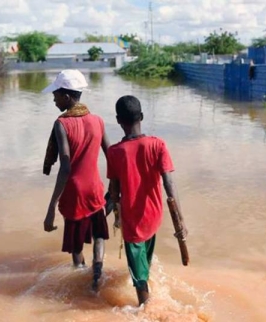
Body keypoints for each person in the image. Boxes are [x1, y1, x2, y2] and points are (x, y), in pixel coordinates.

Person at [107, 95, 188, 306]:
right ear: (141, 116)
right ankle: (149, 296)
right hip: (154, 216)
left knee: (139, 277)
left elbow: (114, 192)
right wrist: (181, 221)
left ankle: (145, 309)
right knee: (145, 261)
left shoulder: (114, 152)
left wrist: (115, 216)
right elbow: (170, 184)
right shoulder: (158, 145)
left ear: (118, 120)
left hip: (133, 221)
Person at [41, 69, 111, 290]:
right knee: (99, 233)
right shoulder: (98, 121)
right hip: (95, 189)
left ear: (67, 96)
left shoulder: (61, 124)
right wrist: (116, 189)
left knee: (76, 244)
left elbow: (65, 167)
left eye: (56, 95)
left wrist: (51, 206)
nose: (53, 99)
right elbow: (112, 155)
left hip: (74, 192)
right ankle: (98, 268)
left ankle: (82, 279)